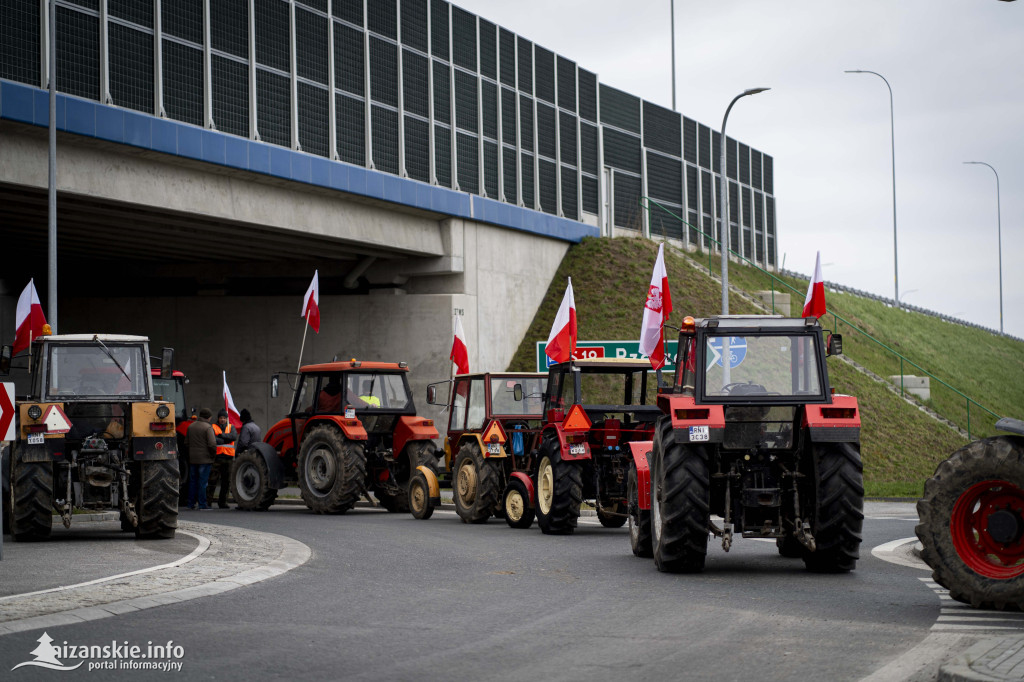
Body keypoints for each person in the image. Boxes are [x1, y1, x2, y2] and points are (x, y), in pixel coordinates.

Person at [186, 408, 217, 510]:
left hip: (193, 459)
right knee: (202, 482)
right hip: (205, 459)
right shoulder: (207, 427)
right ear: (208, 417)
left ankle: (190, 504)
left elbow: (186, 443)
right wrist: (213, 455)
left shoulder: (191, 426)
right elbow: (212, 444)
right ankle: (202, 504)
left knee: (192, 482)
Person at [211, 409, 237, 509]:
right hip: (217, 458)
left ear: (227, 419)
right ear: (218, 418)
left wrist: (221, 436)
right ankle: (208, 501)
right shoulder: (213, 427)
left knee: (226, 482)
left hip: (228, 458)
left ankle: (223, 502)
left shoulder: (231, 427)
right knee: (212, 480)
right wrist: (227, 438)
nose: (222, 420)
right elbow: (214, 439)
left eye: (224, 418)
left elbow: (233, 436)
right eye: (221, 418)